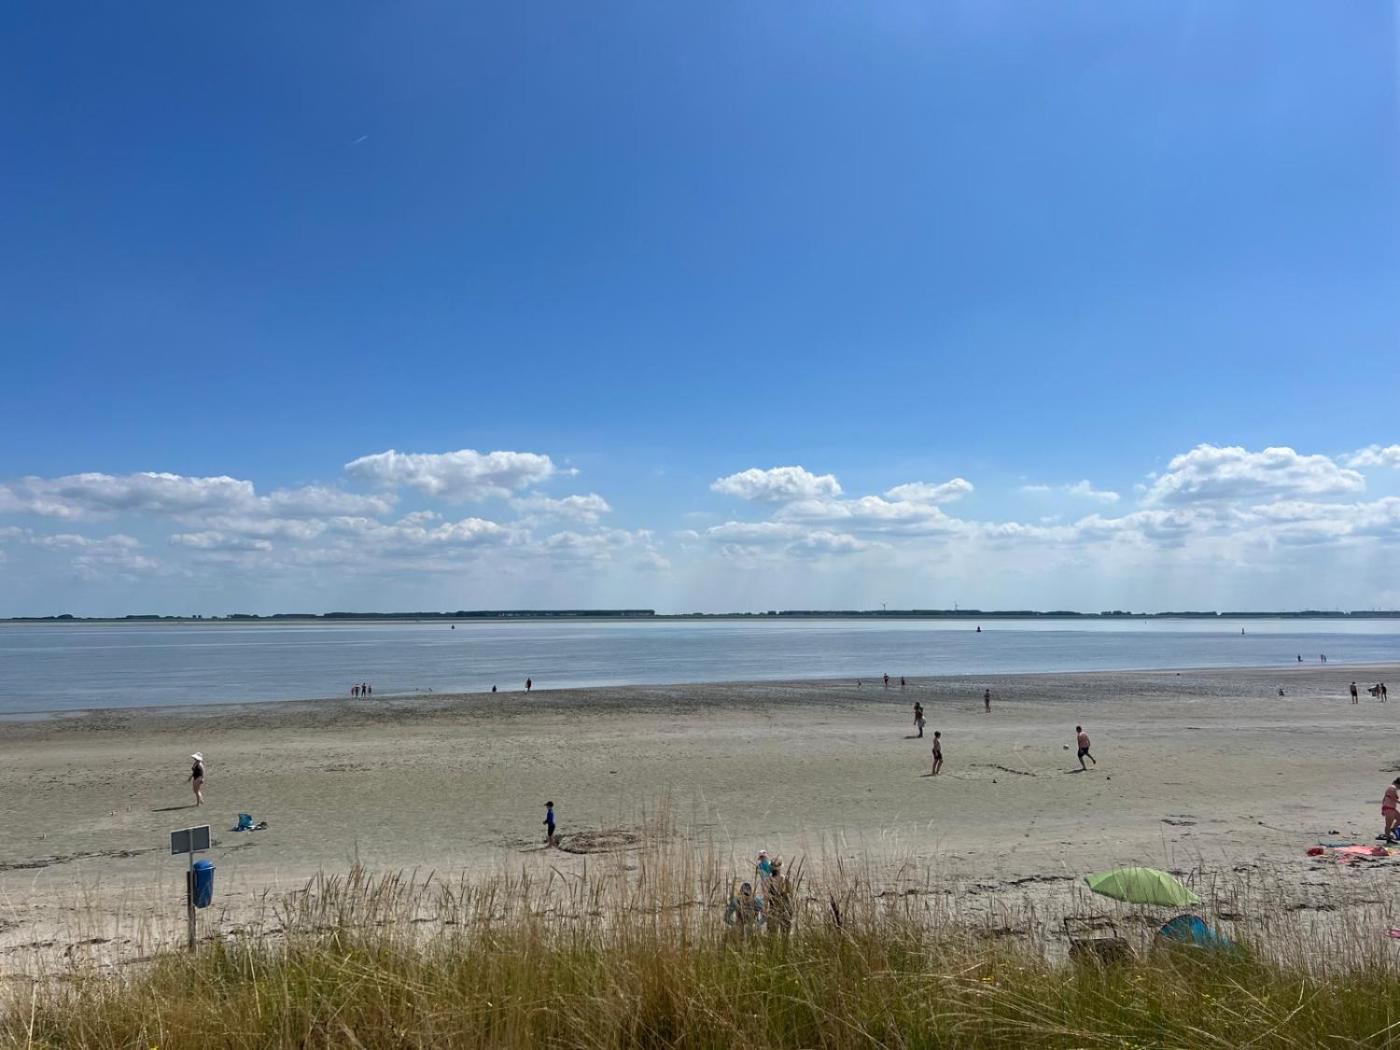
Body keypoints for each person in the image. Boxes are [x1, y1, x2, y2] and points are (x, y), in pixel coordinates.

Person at [766, 858, 793, 935]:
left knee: (772, 934)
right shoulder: (785, 879)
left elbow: (766, 897)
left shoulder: (768, 880)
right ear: (780, 868)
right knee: (785, 934)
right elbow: (791, 894)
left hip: (773, 909)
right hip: (785, 909)